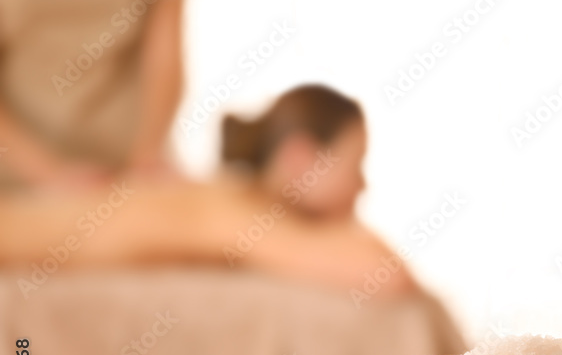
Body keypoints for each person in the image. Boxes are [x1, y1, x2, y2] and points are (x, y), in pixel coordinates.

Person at [0, 84, 415, 298]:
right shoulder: (234, 209)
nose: (363, 186)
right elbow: (384, 275)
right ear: (301, 157)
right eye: (355, 165)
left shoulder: (226, 197)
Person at [0, 0, 187, 188]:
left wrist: (147, 156)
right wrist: (50, 175)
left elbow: (165, 45)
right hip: (15, 178)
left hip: (129, 172)